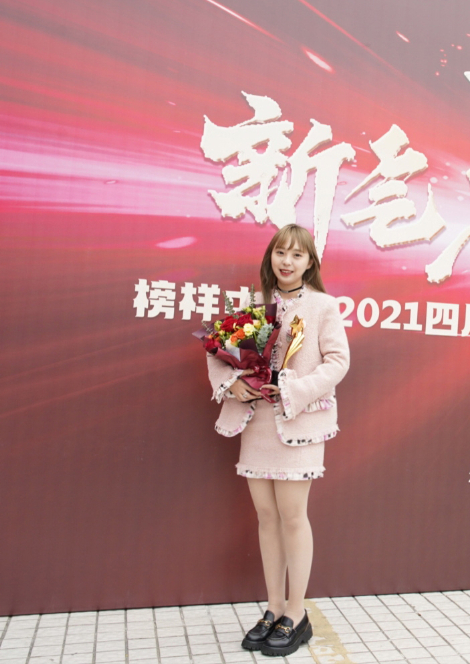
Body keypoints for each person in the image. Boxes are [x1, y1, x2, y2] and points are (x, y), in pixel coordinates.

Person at [206, 224, 349, 658]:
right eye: (280, 253)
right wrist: (232, 384)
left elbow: (338, 362)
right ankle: (272, 608)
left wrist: (292, 390)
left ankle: (296, 613)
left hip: (298, 422)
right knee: (266, 517)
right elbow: (218, 351)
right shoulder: (253, 305)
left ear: (310, 263)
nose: (287, 261)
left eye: (297, 255)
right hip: (258, 424)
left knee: (292, 516)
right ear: (270, 257)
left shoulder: (323, 306)